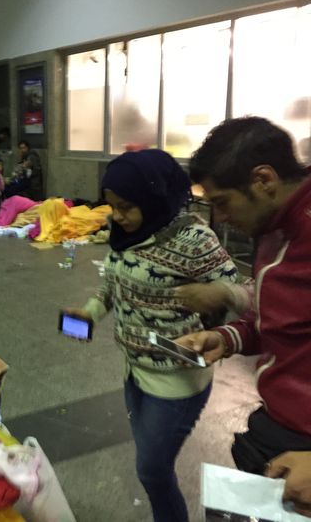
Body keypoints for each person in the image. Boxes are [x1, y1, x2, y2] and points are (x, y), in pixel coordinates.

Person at [64, 149, 237, 522]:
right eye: (112, 206)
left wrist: (218, 296)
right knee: (151, 463)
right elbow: (109, 287)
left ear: (155, 198)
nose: (118, 217)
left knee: (152, 470)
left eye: (127, 206)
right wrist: (90, 313)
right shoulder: (125, 235)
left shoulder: (194, 239)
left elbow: (246, 293)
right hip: (135, 370)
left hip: (177, 381)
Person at [175, 117, 311, 498]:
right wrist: (228, 337)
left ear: (263, 180)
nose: (220, 218)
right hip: (282, 424)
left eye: (222, 203)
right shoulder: (274, 229)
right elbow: (280, 319)